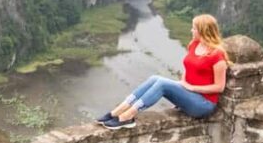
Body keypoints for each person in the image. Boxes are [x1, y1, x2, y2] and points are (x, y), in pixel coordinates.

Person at [97, 14, 230, 130]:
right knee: (155, 78)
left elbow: (219, 87)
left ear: (203, 31)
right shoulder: (194, 45)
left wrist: (192, 87)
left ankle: (127, 116)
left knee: (162, 84)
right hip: (189, 92)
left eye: (194, 28)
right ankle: (117, 112)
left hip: (203, 104)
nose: (191, 30)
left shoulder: (217, 55)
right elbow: (190, 67)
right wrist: (182, 84)